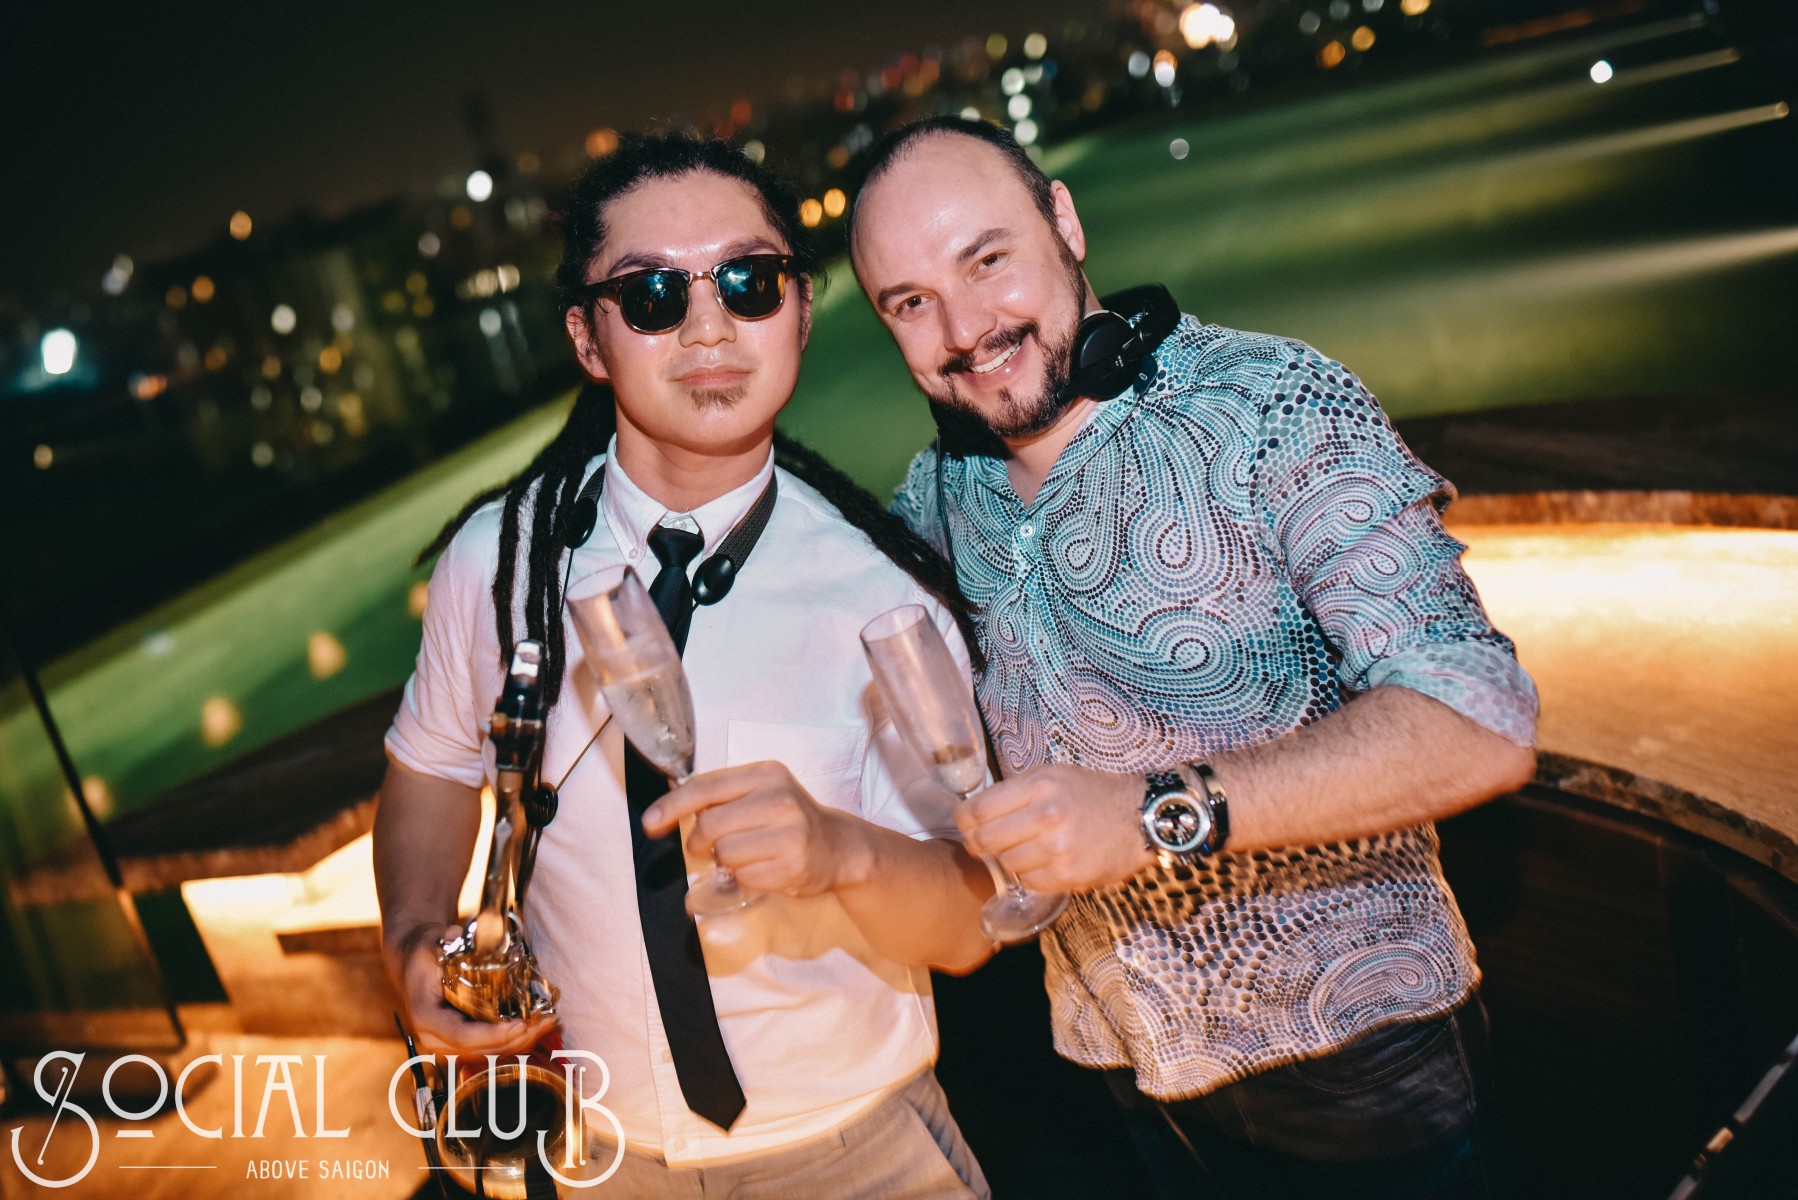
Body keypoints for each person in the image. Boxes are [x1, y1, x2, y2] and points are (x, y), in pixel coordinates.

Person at [848, 116, 1539, 1199]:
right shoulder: (934, 501)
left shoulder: (1270, 404)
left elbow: (1479, 718)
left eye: (986, 261)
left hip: (1360, 1066)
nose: (965, 328)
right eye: (910, 302)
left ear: (1063, 221)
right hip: (1117, 1074)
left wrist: (1148, 815)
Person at [374, 131, 994, 1198]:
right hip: (594, 1153)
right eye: (653, 294)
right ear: (587, 337)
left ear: (801, 309)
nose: (709, 327)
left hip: (859, 1151)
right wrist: (412, 940)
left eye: (748, 282)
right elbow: (431, 767)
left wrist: (841, 852)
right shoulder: (501, 562)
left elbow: (971, 920)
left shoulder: (883, 591)